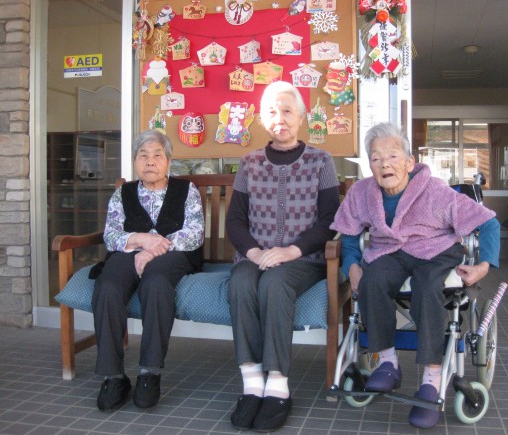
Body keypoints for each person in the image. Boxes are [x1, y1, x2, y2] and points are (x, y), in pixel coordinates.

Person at [330, 122, 500, 429]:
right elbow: (349, 235)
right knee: (372, 279)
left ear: (410, 162)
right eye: (376, 158)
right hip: (390, 252)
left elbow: (488, 223)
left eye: (393, 156)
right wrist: (352, 265)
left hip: (436, 250)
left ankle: (431, 380)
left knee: (427, 286)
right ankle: (387, 363)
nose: (384, 164)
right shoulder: (362, 193)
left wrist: (483, 266)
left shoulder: (435, 192)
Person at [226, 81, 340, 432]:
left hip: (303, 261)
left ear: (301, 117)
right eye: (273, 112)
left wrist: (292, 250)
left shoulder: (321, 161)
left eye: (288, 111)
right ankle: (251, 383)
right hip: (255, 257)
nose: (281, 118)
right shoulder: (249, 163)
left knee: (275, 283)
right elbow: (235, 220)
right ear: (263, 119)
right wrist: (254, 252)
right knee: (241, 282)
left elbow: (329, 219)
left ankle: (277, 385)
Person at [91, 129, 204, 412]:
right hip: (129, 252)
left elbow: (194, 233)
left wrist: (153, 249)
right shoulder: (123, 193)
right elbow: (111, 235)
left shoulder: (187, 190)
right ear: (135, 161)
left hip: (173, 254)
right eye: (143, 155)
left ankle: (149, 373)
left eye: (157, 155)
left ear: (168, 161)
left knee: (156, 282)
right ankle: (113, 376)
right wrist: (141, 240)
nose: (150, 161)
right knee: (107, 286)